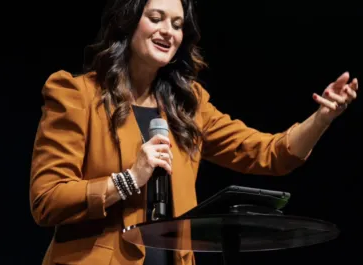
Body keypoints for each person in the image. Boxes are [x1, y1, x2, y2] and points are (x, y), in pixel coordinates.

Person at [29, 0, 358, 264]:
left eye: (177, 24)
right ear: (127, 22)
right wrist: (128, 179)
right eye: (156, 18)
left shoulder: (188, 106)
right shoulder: (75, 95)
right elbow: (47, 199)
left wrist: (322, 117)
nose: (167, 31)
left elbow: (271, 154)